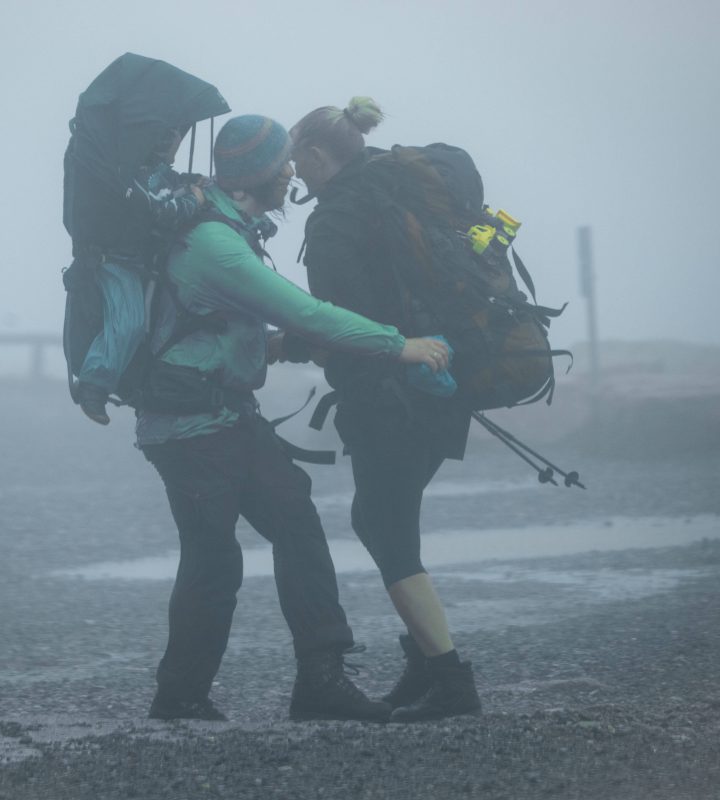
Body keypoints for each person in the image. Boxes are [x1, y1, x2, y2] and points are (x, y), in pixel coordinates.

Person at [136, 113, 453, 722]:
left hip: (226, 412)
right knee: (214, 557)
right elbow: (309, 312)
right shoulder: (215, 245)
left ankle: (321, 682)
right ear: (256, 175)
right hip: (188, 423)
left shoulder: (231, 230)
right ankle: (178, 697)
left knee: (297, 524)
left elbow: (244, 323)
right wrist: (399, 344)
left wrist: (281, 344)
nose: (290, 171)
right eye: (281, 163)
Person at [279, 97, 483, 722]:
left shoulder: (339, 218)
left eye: (296, 160)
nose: (293, 175)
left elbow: (347, 323)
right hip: (447, 380)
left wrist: (287, 342)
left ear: (317, 154)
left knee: (387, 528)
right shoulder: (395, 190)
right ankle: (425, 665)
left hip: (391, 397)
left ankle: (452, 683)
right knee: (381, 519)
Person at [75, 127, 210, 425]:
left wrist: (195, 184)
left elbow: (172, 185)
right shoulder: (130, 175)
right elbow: (160, 210)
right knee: (130, 324)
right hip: (116, 262)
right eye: (173, 133)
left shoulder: (157, 172)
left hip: (142, 265)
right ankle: (93, 386)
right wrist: (195, 201)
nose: (178, 140)